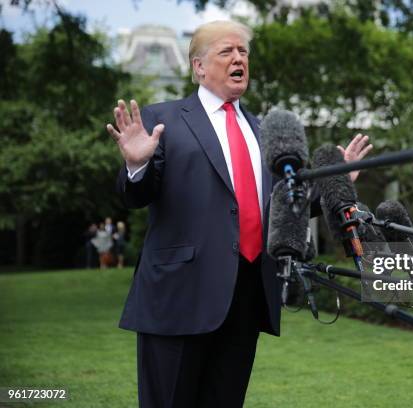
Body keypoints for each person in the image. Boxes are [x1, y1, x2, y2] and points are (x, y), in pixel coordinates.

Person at [106, 20, 373, 407]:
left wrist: (337, 183)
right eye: (227, 51)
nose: (239, 59)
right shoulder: (163, 119)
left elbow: (286, 205)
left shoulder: (265, 131)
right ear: (198, 66)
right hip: (179, 297)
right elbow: (135, 195)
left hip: (246, 298)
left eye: (244, 52)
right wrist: (136, 166)